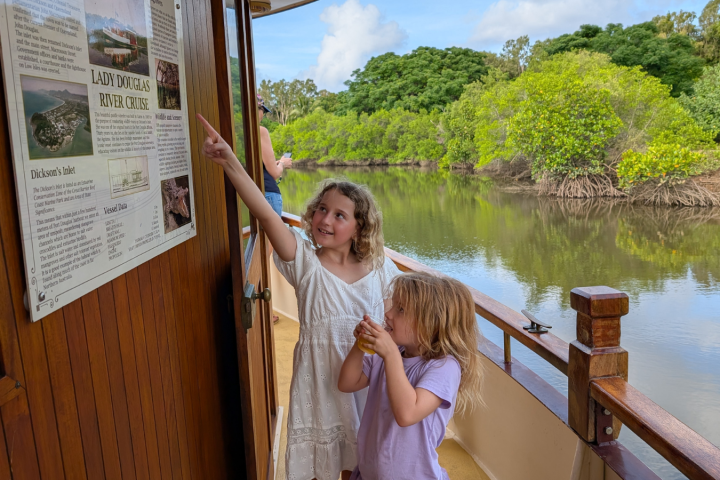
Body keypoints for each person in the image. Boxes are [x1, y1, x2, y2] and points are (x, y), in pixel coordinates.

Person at [196, 112, 402, 480]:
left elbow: (400, 322)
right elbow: (264, 210)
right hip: (320, 382)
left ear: (359, 227)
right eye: (322, 209)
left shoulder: (380, 268)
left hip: (368, 382)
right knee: (327, 467)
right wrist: (229, 159)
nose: (325, 219)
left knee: (365, 462)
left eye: (340, 215)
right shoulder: (303, 260)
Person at [338, 272, 484, 480]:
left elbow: (407, 414)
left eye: (401, 309)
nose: (388, 314)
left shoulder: (444, 367)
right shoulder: (392, 352)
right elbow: (347, 383)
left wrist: (390, 354)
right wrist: (359, 345)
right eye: (392, 305)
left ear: (431, 323)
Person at [257, 94, 292, 216]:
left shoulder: (241, 132)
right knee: (272, 235)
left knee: (258, 234)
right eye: (263, 111)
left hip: (253, 194)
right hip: (268, 194)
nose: (263, 116)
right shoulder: (260, 131)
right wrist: (282, 163)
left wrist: (274, 163)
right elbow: (275, 173)